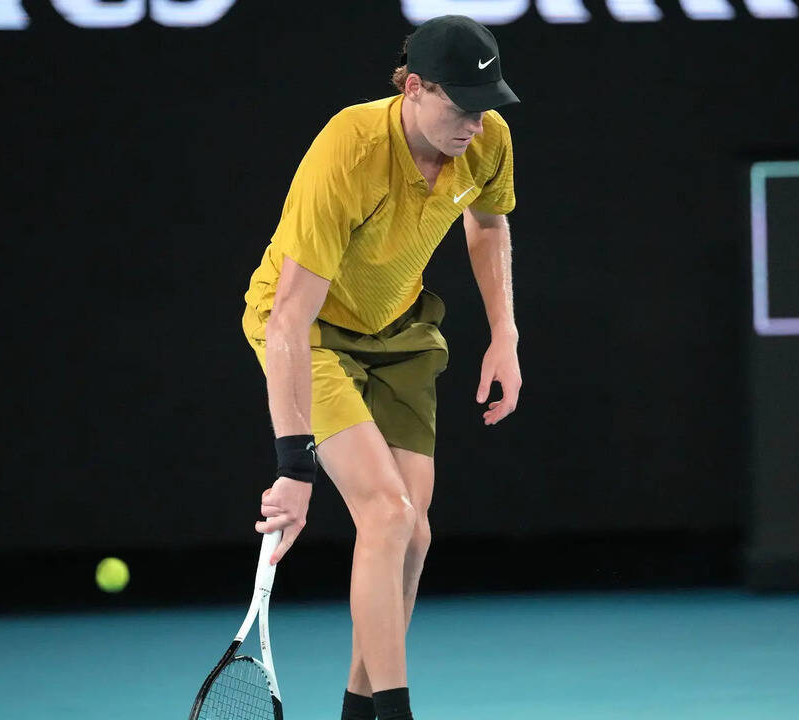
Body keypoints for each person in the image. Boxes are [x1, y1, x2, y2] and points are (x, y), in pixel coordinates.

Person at [240, 15, 521, 720]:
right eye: (460, 105)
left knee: (411, 532)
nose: (474, 124)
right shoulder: (350, 149)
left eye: (485, 106)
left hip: (400, 329)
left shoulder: (486, 139)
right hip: (313, 333)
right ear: (414, 87)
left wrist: (504, 332)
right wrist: (293, 465)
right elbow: (288, 321)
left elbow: (488, 222)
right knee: (387, 514)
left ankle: (358, 712)